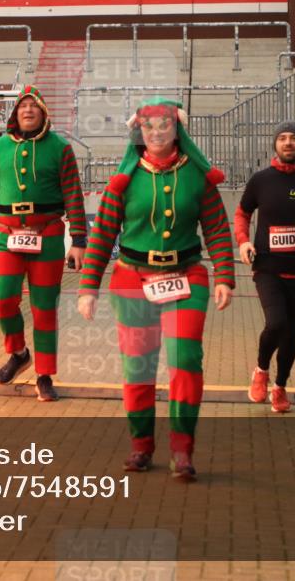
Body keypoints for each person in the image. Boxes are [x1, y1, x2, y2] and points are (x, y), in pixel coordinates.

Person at [77, 97, 235, 482]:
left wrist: (226, 276)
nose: (158, 133)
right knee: (139, 365)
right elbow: (103, 234)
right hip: (131, 279)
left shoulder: (195, 175)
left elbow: (215, 226)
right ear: (139, 132)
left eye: (165, 126)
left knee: (184, 359)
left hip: (186, 277)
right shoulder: (125, 179)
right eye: (150, 127)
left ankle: (182, 449)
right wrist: (88, 287)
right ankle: (141, 445)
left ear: (177, 129)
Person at [0, 85, 87, 402]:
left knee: (44, 308)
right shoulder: (0, 148)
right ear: (15, 114)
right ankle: (19, 353)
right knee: (2, 299)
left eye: (34, 107)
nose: (28, 111)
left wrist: (78, 239)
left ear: (44, 113)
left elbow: (74, 194)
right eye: (23, 107)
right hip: (8, 236)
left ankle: (45, 375)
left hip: (47, 234)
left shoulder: (60, 148)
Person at [235, 121, 295, 413]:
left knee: (291, 335)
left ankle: (280, 387)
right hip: (267, 268)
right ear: (275, 144)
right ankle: (260, 370)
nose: (288, 143)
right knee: (276, 323)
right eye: (282, 138)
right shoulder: (261, 180)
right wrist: (244, 241)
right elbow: (242, 213)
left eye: (293, 138)